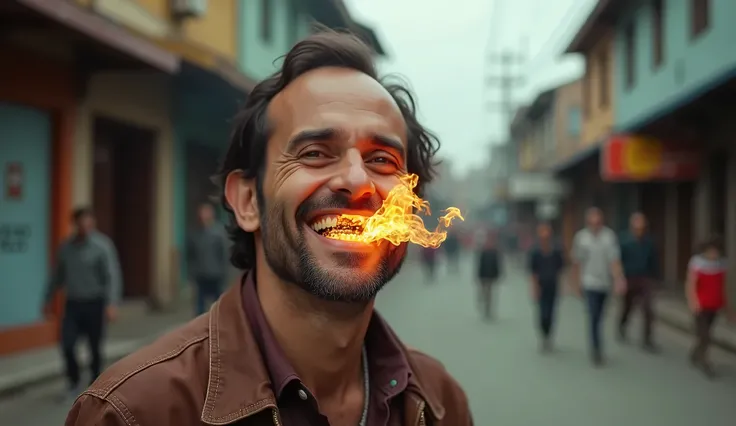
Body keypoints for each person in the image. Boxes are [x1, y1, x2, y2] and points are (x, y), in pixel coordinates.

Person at [66, 30, 472, 425]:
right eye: (315, 153)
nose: (358, 181)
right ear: (247, 201)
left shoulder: (439, 402)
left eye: (382, 160)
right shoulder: (132, 413)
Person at [45, 207, 121, 402]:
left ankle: (96, 384)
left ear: (93, 223)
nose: (85, 227)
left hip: (95, 303)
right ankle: (73, 381)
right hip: (73, 304)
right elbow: (57, 277)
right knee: (67, 344)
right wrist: (48, 299)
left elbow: (112, 276)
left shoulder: (102, 246)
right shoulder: (66, 248)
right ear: (75, 224)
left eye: (88, 222)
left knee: (95, 347)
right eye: (81, 223)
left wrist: (112, 304)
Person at [571, 207, 626, 367]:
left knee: (601, 316)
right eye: (592, 222)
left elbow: (614, 260)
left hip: (605, 283)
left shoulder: (609, 237)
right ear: (588, 222)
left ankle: (597, 343)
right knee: (593, 315)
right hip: (589, 282)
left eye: (598, 222)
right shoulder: (581, 238)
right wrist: (576, 283)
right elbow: (577, 262)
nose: (596, 225)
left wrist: (618, 279)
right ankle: (596, 348)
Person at [685, 237, 736, 378]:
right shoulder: (697, 263)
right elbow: (691, 284)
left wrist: (729, 308)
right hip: (701, 306)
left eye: (716, 251)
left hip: (715, 305)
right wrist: (692, 302)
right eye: (711, 251)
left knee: (706, 333)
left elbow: (726, 287)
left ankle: (695, 353)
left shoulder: (722, 265)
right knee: (705, 335)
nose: (713, 254)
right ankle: (705, 362)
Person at [617, 212, 660, 352]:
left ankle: (647, 339)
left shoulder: (649, 242)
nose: (639, 229)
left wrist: (655, 278)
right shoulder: (624, 241)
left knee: (648, 309)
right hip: (629, 277)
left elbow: (654, 261)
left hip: (644, 278)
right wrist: (619, 278)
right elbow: (618, 261)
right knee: (627, 307)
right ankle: (622, 325)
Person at [528, 222, 565, 353]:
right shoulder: (535, 252)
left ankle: (549, 335)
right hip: (541, 286)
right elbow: (533, 272)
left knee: (551, 312)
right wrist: (534, 288)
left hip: (553, 285)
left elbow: (560, 270)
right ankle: (543, 334)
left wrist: (562, 287)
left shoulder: (556, 251)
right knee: (543, 313)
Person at [187, 202, 228, 315]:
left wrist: (223, 272)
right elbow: (191, 254)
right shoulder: (196, 233)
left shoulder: (218, 233)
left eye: (206, 213)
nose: (204, 216)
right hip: (201, 274)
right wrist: (193, 271)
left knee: (217, 304)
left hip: (216, 273)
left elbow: (223, 254)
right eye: (202, 213)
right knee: (200, 305)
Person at [477, 231, 502, 320]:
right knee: (484, 292)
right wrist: (478, 276)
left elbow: (498, 265)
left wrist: (498, 275)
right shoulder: (483, 252)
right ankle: (483, 302)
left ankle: (488, 309)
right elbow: (480, 265)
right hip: (483, 276)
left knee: (489, 293)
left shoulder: (495, 252)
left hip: (491, 276)